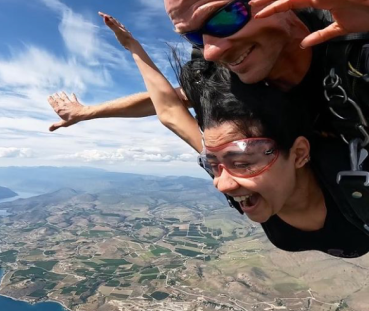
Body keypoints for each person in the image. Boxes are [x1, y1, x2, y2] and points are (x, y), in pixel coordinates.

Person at [93, 12, 369, 258]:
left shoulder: (355, 175)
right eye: (212, 163)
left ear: (298, 154)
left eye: (244, 162)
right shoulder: (233, 174)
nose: (221, 184)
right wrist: (132, 46)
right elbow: (168, 111)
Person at [48, 0, 369, 141]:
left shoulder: (353, 29)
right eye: (193, 36)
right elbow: (169, 102)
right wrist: (86, 112)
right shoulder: (228, 82)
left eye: (224, 18)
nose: (213, 50)